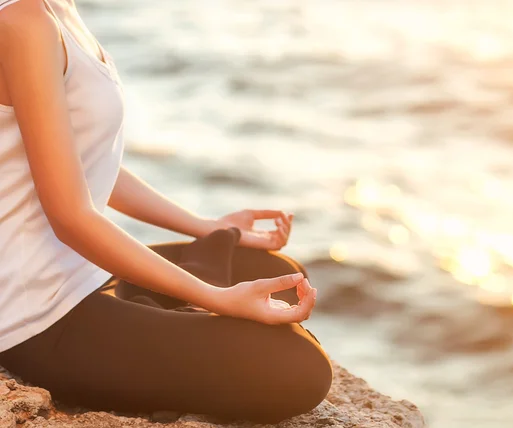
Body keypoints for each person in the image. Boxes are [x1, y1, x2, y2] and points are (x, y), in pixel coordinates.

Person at [0, 0, 332, 423]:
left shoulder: (59, 8)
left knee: (277, 273)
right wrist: (216, 298)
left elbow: (83, 159)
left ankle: (172, 320)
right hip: (37, 314)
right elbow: (70, 217)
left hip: (82, 274)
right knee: (299, 369)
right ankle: (175, 330)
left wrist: (207, 226)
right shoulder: (23, 21)